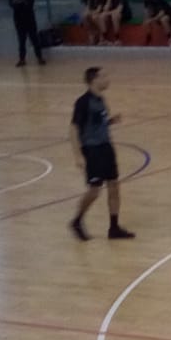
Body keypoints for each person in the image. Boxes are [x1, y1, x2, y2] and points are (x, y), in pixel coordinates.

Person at [68, 67, 134, 241]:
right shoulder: (83, 102)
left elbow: (97, 123)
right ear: (94, 80)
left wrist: (110, 121)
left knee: (114, 186)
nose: (107, 79)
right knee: (95, 190)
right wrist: (78, 155)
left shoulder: (101, 100)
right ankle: (77, 220)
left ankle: (114, 228)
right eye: (104, 76)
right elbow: (73, 129)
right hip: (92, 150)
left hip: (106, 147)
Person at [8, 0, 46, 67]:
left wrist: (20, 2)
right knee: (21, 41)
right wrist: (21, 2)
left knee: (35, 40)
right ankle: (22, 59)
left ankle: (39, 58)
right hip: (19, 22)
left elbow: (29, 5)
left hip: (30, 21)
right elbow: (13, 5)